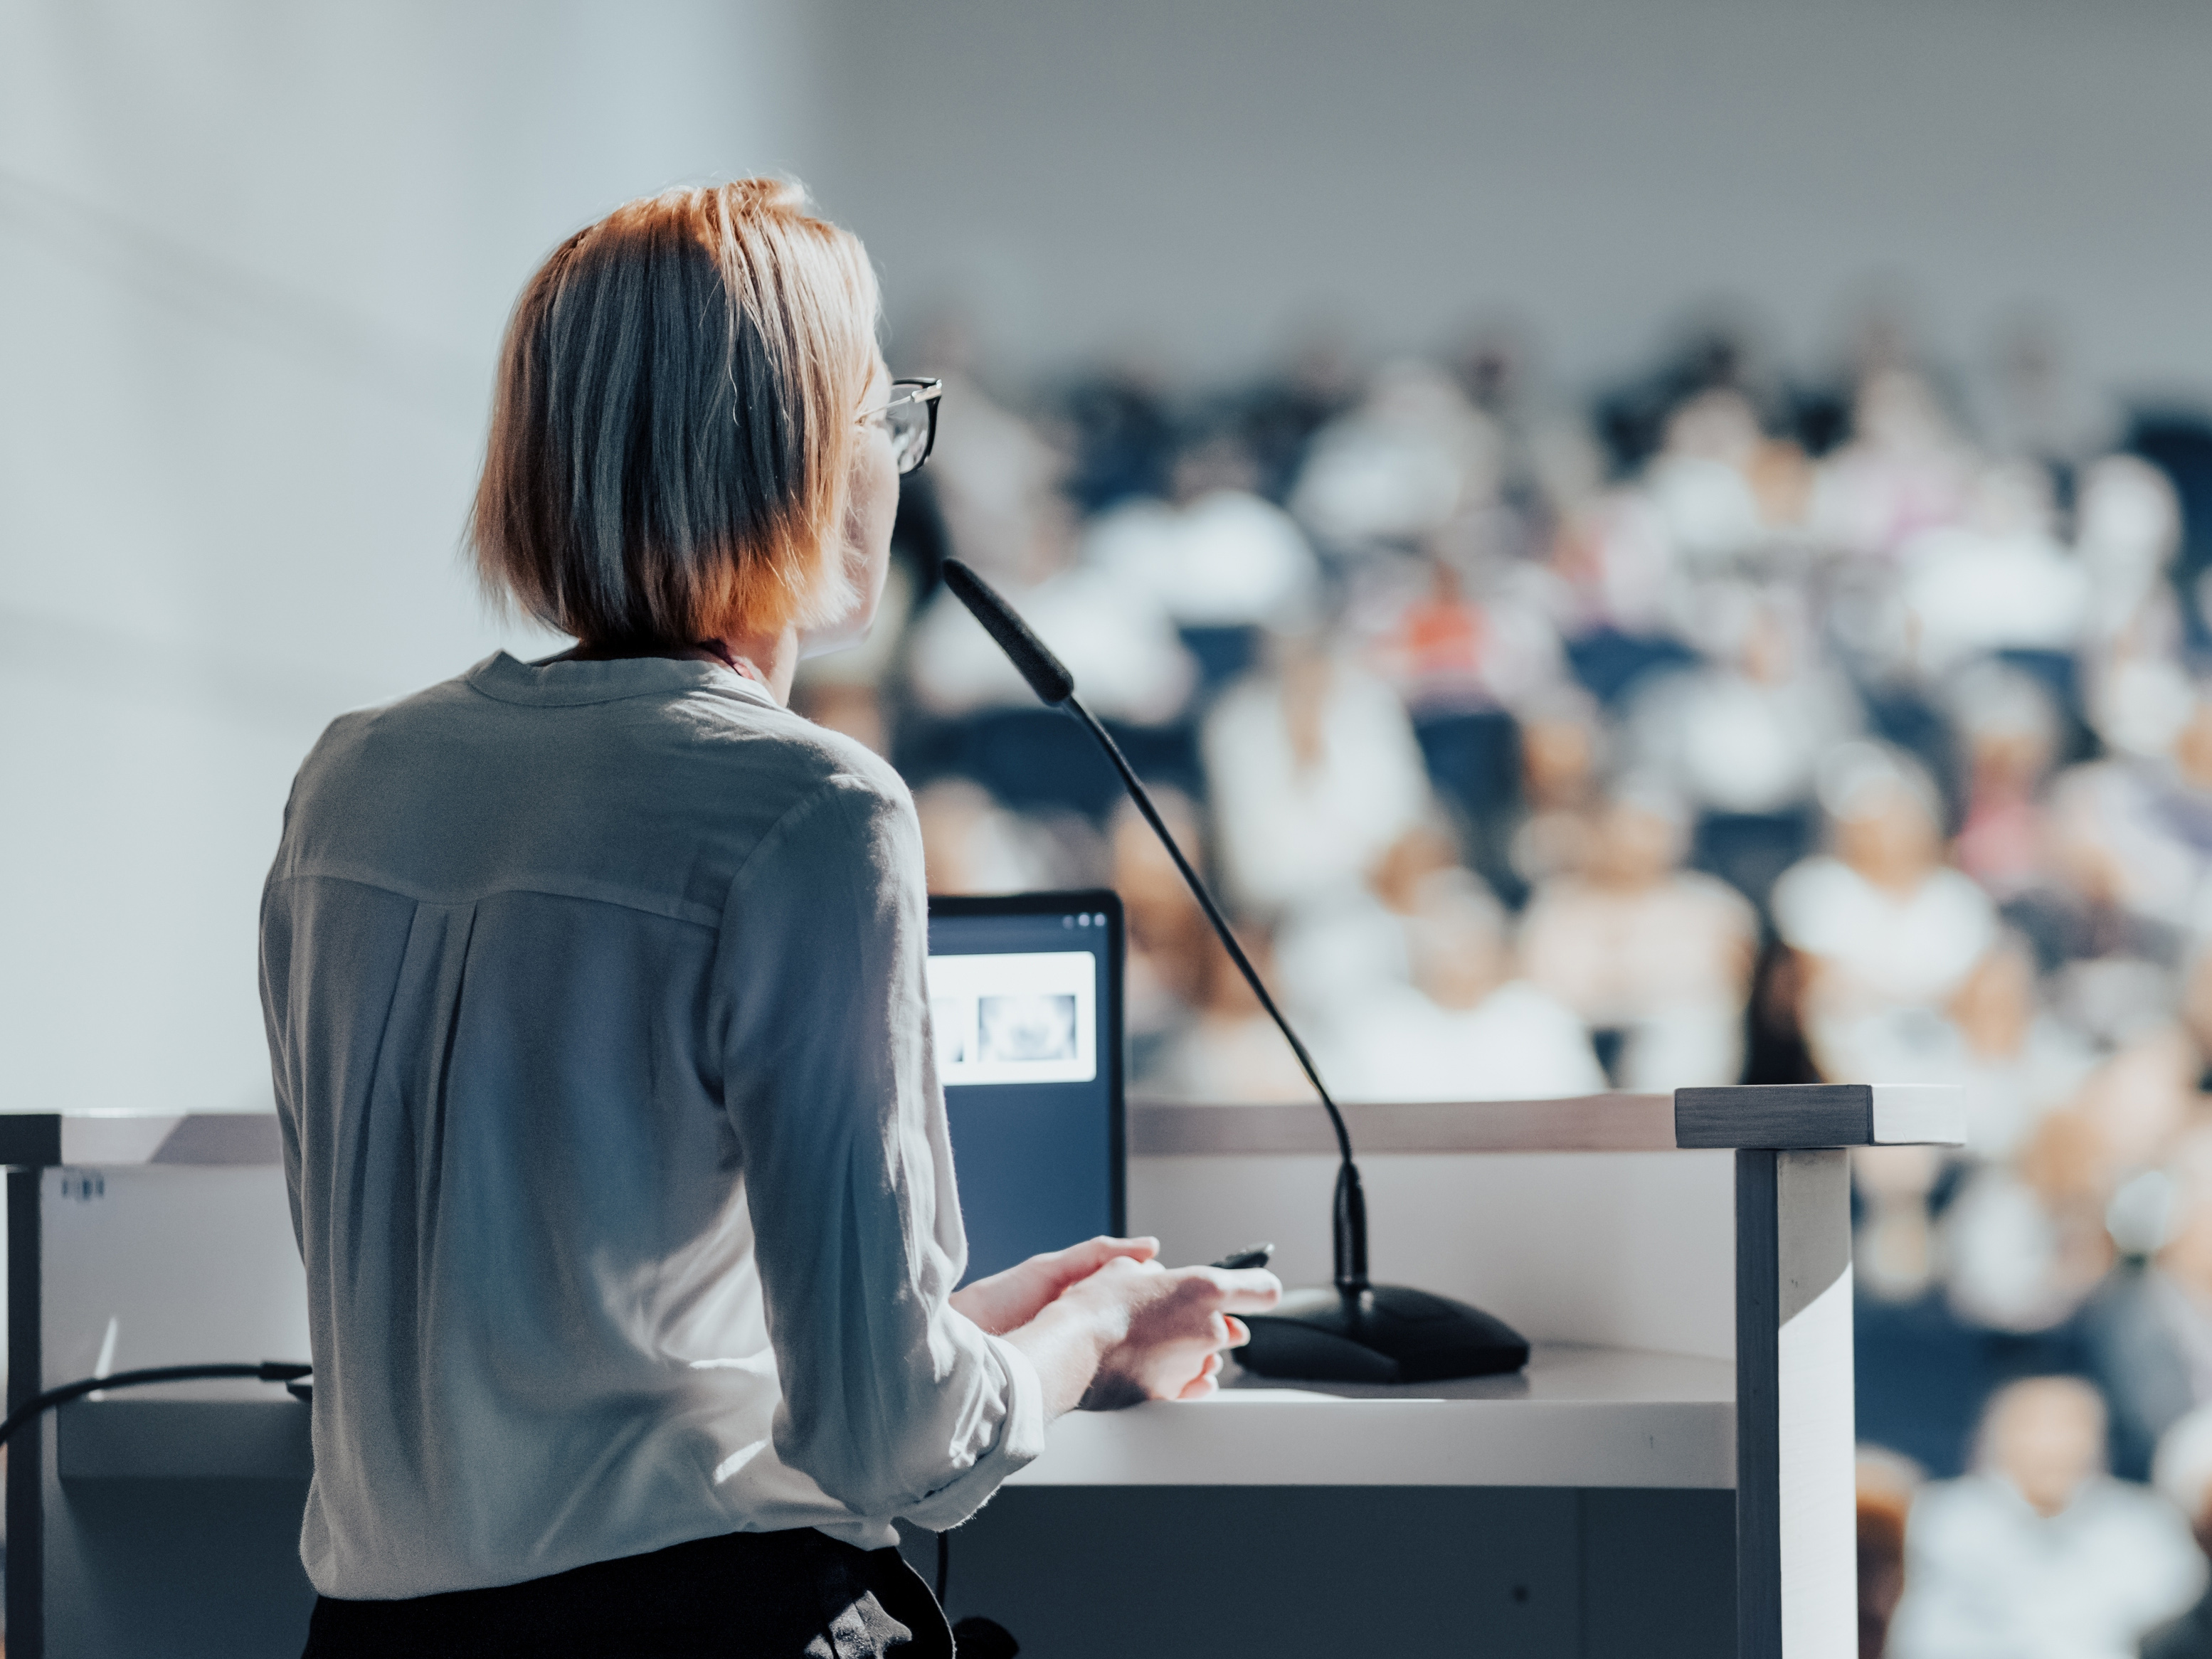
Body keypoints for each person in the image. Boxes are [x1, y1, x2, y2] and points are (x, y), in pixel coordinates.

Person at [259, 181, 1279, 1657]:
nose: (899, 461)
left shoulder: (351, 783)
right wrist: (1089, 1337)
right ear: (792, 454)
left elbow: (582, 1365)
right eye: (885, 413)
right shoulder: (811, 812)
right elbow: (895, 1446)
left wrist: (969, 1324)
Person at [1888, 1377, 2203, 1659]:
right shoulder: (1940, 1521)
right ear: (1991, 1438)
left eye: (2070, 1427)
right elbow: (1923, 1637)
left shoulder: (2149, 1526)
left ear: (2101, 1442)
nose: (2052, 1444)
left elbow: (2175, 1634)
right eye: (2033, 1426)